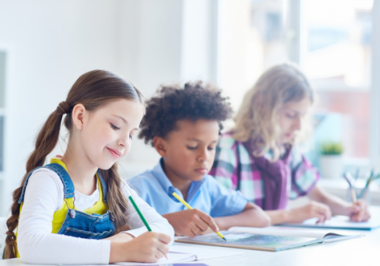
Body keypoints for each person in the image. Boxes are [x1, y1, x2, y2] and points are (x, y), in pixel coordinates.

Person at [4, 70, 174, 264]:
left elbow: (163, 227)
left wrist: (125, 240)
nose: (124, 142)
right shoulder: (48, 180)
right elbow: (31, 245)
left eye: (131, 134)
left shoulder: (114, 186)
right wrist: (117, 250)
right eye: (116, 126)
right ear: (80, 117)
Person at [210, 63, 371, 225]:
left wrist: (349, 209)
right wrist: (289, 215)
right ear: (261, 105)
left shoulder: (286, 149)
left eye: (302, 116)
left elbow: (321, 198)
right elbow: (217, 216)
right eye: (290, 115)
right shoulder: (228, 147)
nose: (298, 126)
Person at [128, 82, 270, 238]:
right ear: (161, 146)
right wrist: (166, 223)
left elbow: (261, 217)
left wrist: (213, 225)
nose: (204, 157)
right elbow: (113, 233)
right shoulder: (136, 190)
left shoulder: (208, 187)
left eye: (211, 147)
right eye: (193, 146)